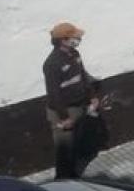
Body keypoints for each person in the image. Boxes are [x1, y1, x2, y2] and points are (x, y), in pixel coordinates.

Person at [42, 22, 101, 180]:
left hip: (79, 106)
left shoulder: (75, 54)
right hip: (63, 112)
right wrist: (64, 117)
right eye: (75, 37)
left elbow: (83, 76)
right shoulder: (52, 64)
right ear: (63, 40)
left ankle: (73, 176)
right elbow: (54, 94)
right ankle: (62, 181)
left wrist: (92, 96)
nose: (78, 40)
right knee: (64, 151)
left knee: (75, 145)